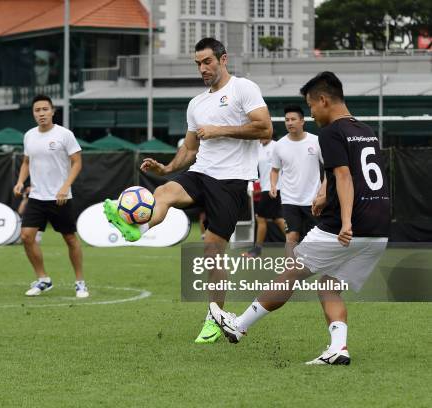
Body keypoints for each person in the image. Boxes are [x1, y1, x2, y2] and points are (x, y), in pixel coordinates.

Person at [209, 71, 390, 365]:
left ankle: (239, 325)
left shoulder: (331, 132)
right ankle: (338, 348)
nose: (311, 113)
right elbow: (346, 174)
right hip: (379, 229)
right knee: (328, 285)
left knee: (290, 272)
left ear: (323, 100)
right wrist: (322, 194)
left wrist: (345, 222)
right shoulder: (366, 129)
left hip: (346, 227)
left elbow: (344, 177)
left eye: (311, 106)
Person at [103, 37, 273, 343]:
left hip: (231, 181)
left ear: (223, 59)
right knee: (166, 192)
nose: (202, 69)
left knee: (212, 252)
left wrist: (221, 129)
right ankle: (135, 230)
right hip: (200, 172)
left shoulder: (243, 88)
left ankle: (214, 316)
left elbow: (265, 128)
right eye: (198, 64)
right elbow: (191, 148)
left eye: (207, 61)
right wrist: (167, 168)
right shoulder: (196, 104)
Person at [13, 94, 88, 298]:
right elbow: (26, 162)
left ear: (53, 111)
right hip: (37, 196)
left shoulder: (65, 135)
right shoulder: (29, 135)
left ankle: (80, 282)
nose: (42, 114)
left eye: (45, 109)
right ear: (33, 113)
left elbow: (77, 162)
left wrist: (65, 186)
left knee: (70, 239)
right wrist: (21, 182)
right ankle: (43, 279)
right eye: (37, 110)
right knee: (26, 236)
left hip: (60, 197)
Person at [270, 105, 324, 255]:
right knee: (291, 237)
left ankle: (318, 268)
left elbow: (329, 169)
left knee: (318, 238)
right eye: (287, 120)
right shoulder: (279, 145)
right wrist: (273, 184)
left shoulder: (316, 141)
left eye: (293, 119)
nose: (289, 122)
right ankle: (290, 272)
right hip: (289, 200)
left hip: (313, 200)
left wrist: (323, 191)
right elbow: (274, 170)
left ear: (302, 121)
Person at [243, 138, 286, 257]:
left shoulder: (277, 146)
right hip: (266, 188)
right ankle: (296, 246)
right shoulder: (258, 148)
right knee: (278, 219)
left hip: (273, 189)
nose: (261, 137)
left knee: (261, 218)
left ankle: (257, 250)